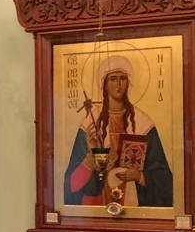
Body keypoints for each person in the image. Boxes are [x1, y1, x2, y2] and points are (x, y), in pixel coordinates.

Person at [64, 55, 173, 208]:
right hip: (99, 200)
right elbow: (71, 185)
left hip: (132, 201)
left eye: (123, 78)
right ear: (105, 84)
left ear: (128, 82)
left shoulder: (143, 123)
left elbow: (163, 178)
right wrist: (92, 156)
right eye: (113, 79)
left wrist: (140, 176)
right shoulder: (90, 124)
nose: (118, 84)